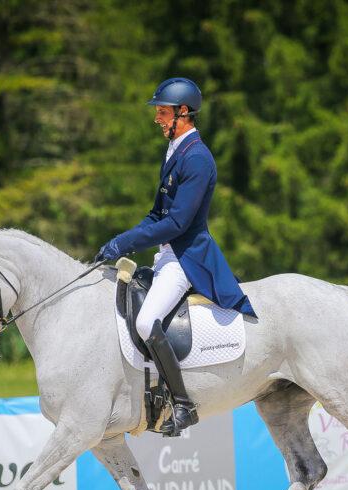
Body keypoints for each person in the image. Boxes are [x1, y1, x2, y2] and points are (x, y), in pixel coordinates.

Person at [96, 77, 256, 436]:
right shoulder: (175, 151)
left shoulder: (197, 158)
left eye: (162, 112)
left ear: (183, 113)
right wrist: (121, 239)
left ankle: (182, 404)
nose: (157, 119)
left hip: (187, 257)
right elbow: (157, 215)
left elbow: (179, 223)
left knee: (144, 321)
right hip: (167, 254)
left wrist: (125, 244)